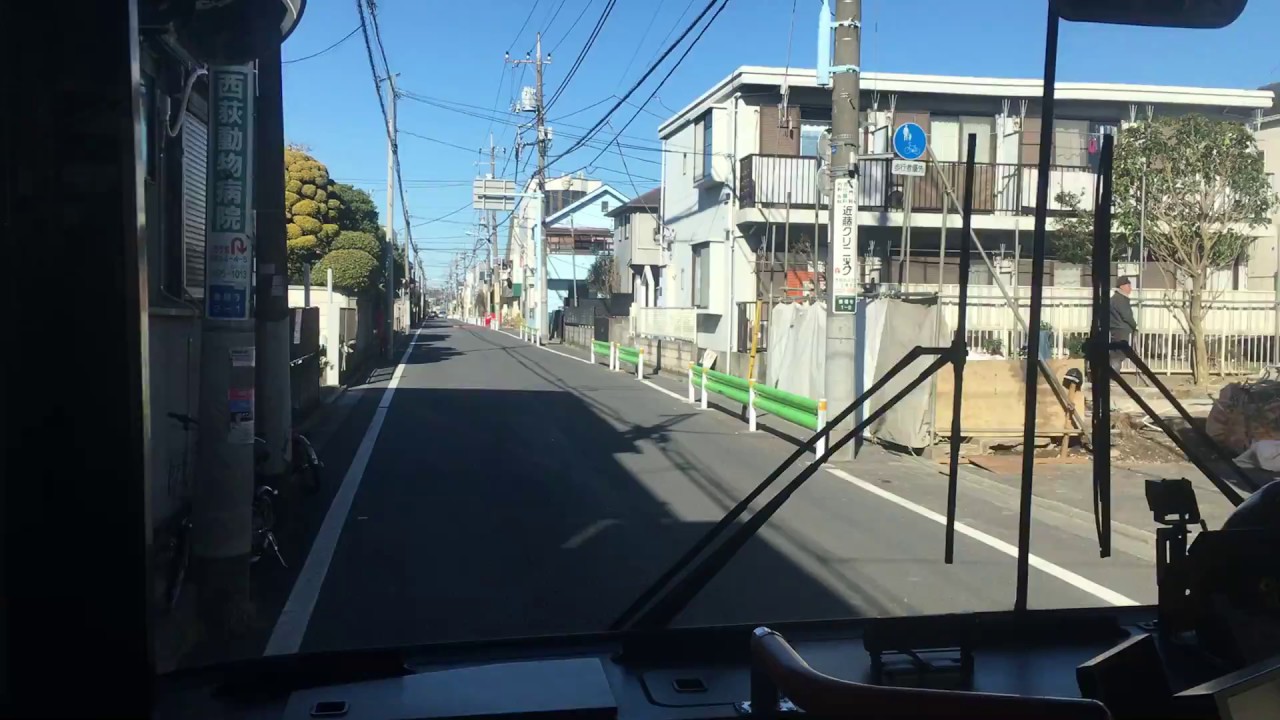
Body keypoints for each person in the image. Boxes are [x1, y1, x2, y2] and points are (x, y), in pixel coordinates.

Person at [1109, 276, 1138, 374]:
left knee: (1117, 353)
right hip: (1121, 330)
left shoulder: (1115, 298)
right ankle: (1114, 376)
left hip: (1116, 329)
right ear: (1122, 286)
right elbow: (1126, 315)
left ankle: (1112, 375)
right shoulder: (1121, 299)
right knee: (1118, 355)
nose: (1131, 288)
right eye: (1128, 286)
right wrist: (1134, 325)